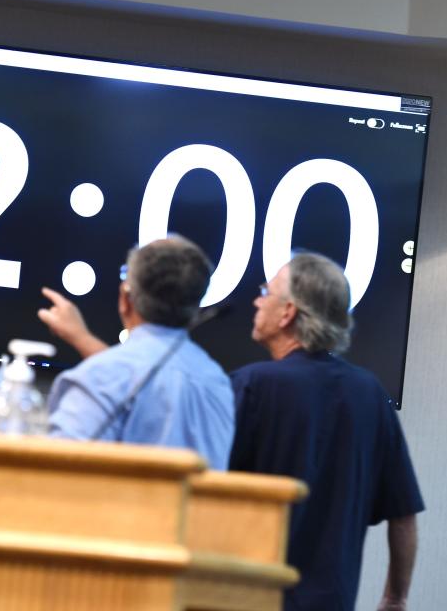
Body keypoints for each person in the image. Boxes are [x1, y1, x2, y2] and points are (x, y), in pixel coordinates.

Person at [229, 252, 423, 611]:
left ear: (288, 313)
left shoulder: (251, 386)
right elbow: (404, 514)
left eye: (265, 292)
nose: (257, 300)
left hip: (247, 598)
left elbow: (202, 491)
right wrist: (395, 598)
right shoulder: (370, 394)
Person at [39, 237, 234, 470]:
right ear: (196, 308)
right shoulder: (218, 383)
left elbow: (52, 474)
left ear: (125, 299)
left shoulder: (101, 377)